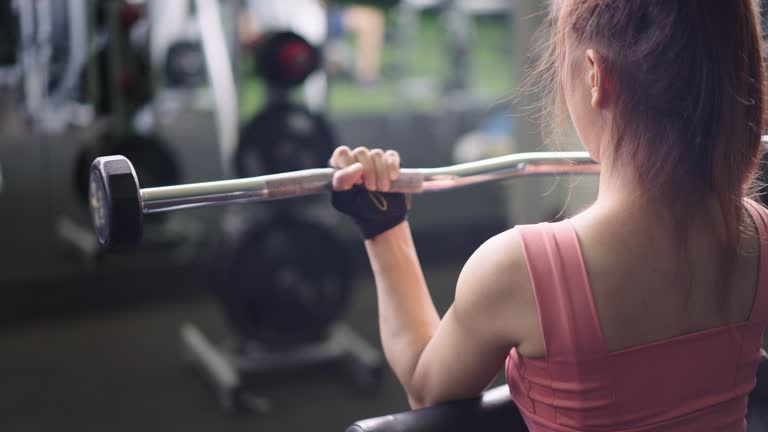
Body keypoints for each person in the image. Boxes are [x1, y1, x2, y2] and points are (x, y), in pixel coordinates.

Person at [328, 0, 768, 430]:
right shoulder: (758, 234)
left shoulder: (520, 268)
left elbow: (426, 390)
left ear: (595, 75)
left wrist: (382, 224)